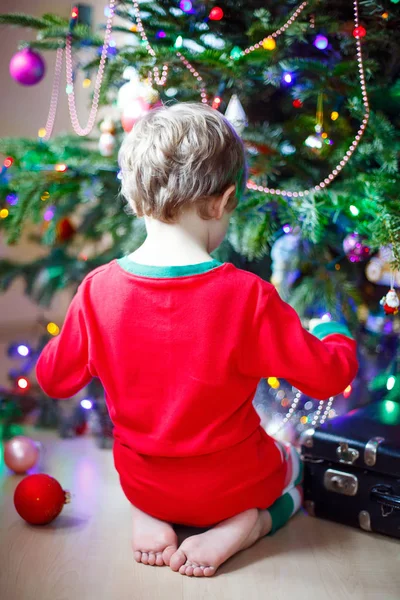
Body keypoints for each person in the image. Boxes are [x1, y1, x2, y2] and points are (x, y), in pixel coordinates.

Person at [36, 103, 358, 577]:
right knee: (297, 465)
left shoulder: (97, 290)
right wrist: (333, 330)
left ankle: (151, 513)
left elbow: (53, 379)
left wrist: (77, 332)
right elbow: (329, 376)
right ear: (222, 200)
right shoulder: (248, 296)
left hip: (144, 482)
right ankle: (251, 523)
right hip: (235, 485)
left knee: (153, 479)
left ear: (136, 196)